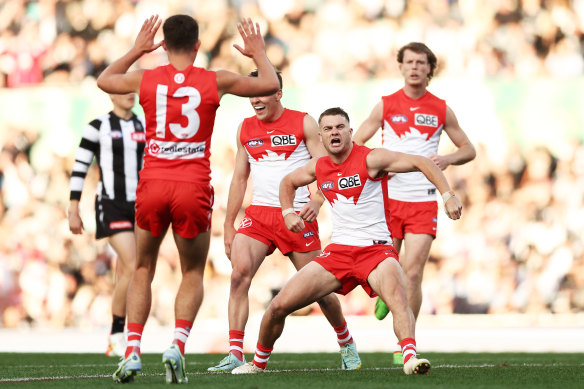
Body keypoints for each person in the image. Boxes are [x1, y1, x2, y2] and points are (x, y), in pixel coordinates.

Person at [96, 14, 280, 384]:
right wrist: (258, 52)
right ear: (198, 45)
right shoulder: (216, 79)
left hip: (152, 184)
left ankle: (131, 350)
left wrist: (136, 49)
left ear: (163, 44)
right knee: (192, 271)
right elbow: (270, 83)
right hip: (192, 186)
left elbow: (105, 80)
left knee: (142, 269)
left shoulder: (146, 78)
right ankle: (176, 345)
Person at [232, 107, 463, 376]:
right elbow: (287, 182)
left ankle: (410, 356)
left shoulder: (372, 159)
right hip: (338, 253)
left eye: (340, 127)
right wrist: (288, 212)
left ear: (350, 132)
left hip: (376, 250)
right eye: (328, 129)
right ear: (321, 137)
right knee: (278, 306)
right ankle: (258, 364)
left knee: (399, 299)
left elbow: (423, 162)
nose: (335, 133)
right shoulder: (319, 166)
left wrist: (448, 195)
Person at [208, 71, 361, 372]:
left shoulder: (303, 122)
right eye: (252, 93)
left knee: (320, 289)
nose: (255, 99)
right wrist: (228, 224)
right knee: (239, 276)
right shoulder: (245, 128)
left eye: (262, 92)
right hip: (260, 215)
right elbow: (240, 177)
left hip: (296, 213)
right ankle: (236, 353)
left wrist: (317, 202)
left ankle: (346, 342)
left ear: (278, 93)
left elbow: (324, 167)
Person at [353, 42, 476, 364]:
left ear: (429, 69)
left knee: (414, 274)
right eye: (409, 62)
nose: (415, 67)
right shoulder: (386, 105)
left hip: (422, 200)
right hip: (387, 198)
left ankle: (406, 344)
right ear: (401, 66)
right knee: (382, 267)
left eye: (421, 63)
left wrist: (447, 158)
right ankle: (384, 295)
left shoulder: (441, 108)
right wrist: (373, 165)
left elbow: (468, 149)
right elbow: (357, 142)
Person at [68, 92, 145, 358]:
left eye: (132, 88)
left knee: (127, 269)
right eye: (123, 88)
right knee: (134, 263)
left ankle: (117, 334)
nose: (130, 94)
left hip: (141, 204)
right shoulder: (97, 126)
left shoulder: (143, 126)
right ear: (111, 93)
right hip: (111, 203)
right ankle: (118, 334)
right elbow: (80, 166)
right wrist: (73, 207)